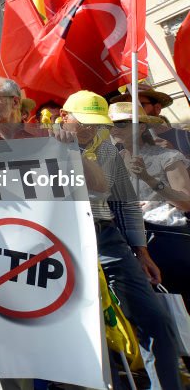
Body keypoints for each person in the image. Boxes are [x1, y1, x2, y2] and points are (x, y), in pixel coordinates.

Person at [58, 90, 183, 390]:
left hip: (105, 238)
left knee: (155, 320)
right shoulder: (35, 145)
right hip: (59, 245)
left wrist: (141, 251)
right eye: (84, 122)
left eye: (97, 123)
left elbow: (125, 203)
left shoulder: (107, 150)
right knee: (87, 334)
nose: (92, 129)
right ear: (64, 118)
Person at [109, 102, 190, 304]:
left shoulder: (166, 156)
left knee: (179, 304)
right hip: (131, 243)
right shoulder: (113, 161)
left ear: (141, 127)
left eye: (121, 123)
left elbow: (187, 202)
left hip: (165, 239)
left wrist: (149, 179)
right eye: (109, 124)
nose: (113, 128)